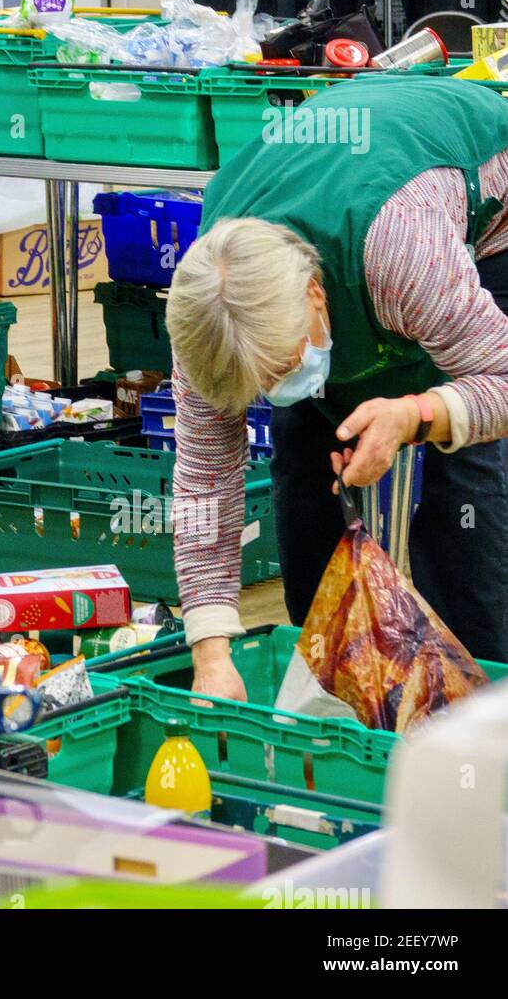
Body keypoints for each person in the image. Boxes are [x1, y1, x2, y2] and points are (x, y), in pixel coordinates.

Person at [167, 75, 508, 700]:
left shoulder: (403, 253)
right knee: (305, 477)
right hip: (347, 219)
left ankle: (481, 712)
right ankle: (328, 698)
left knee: (472, 493)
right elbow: (202, 483)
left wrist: (417, 414)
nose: (281, 387)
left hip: (484, 223)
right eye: (265, 385)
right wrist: (211, 651)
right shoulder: (208, 309)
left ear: (316, 295)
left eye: (284, 366)